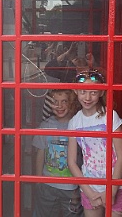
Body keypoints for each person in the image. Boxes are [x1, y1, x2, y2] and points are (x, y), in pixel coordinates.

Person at [68, 70, 122, 217]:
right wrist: (89, 192)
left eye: (93, 92)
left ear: (101, 93)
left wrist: (111, 191)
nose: (87, 97)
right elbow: (71, 161)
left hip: (116, 185)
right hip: (89, 185)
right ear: (75, 91)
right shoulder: (74, 122)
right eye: (83, 92)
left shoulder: (110, 116)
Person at [32, 89, 83, 217]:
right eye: (55, 102)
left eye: (64, 101)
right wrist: (38, 180)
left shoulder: (78, 124)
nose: (59, 106)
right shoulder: (45, 125)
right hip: (48, 185)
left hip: (72, 188)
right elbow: (40, 153)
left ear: (71, 103)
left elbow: (84, 156)